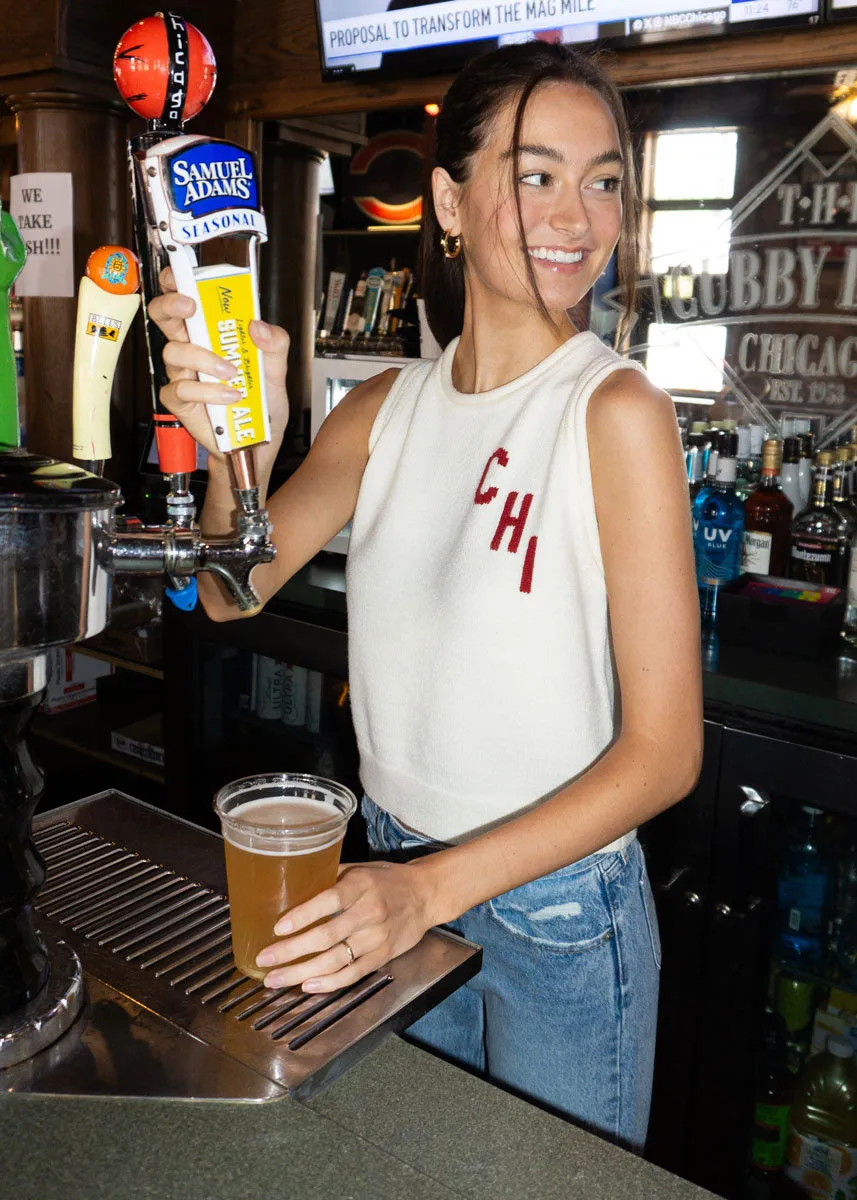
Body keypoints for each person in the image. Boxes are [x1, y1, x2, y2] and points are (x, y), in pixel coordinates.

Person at [150, 41, 703, 1152]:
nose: (576, 215)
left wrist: (426, 891)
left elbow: (663, 754)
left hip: (553, 914)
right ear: (448, 200)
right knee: (412, 1166)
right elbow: (227, 591)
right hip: (396, 868)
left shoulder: (613, 410)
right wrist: (227, 444)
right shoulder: (381, 411)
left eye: (603, 180)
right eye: (534, 173)